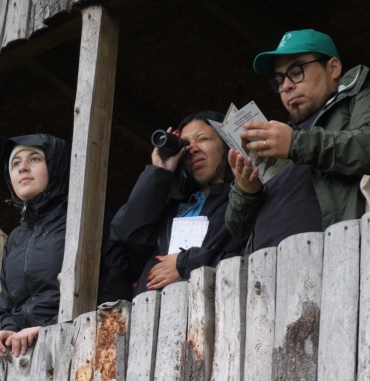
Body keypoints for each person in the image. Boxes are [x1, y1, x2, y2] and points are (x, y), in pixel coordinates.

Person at [225, 29, 370, 253]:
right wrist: (247, 191)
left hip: (338, 264)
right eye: (280, 79)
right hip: (262, 278)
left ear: (333, 68)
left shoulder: (359, 98)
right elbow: (237, 233)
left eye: (296, 71)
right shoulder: (277, 135)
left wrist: (295, 144)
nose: (286, 86)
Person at [0, 134, 134, 358]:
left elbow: (114, 289)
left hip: (81, 352)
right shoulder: (15, 238)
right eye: (15, 163)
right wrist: (9, 331)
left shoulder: (89, 221)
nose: (22, 168)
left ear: (57, 167)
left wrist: (51, 328)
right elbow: (5, 304)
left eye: (34, 159)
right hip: (22, 360)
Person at [110, 111, 243, 296]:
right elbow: (126, 233)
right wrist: (160, 172)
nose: (192, 148)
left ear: (226, 143)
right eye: (186, 144)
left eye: (202, 138)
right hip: (152, 316)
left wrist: (186, 263)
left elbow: (248, 257)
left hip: (215, 311)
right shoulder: (172, 210)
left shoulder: (244, 200)